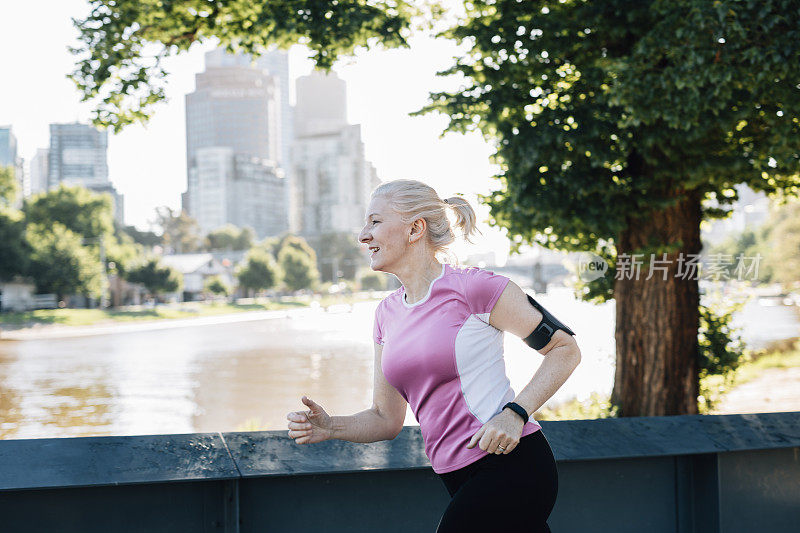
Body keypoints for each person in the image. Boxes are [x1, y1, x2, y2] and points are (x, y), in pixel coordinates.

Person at [286, 179, 581, 531]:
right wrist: (332, 426)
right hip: (455, 478)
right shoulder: (386, 314)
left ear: (414, 229)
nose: (363, 236)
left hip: (511, 465)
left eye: (375, 222)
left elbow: (564, 348)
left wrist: (515, 413)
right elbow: (386, 418)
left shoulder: (476, 288)